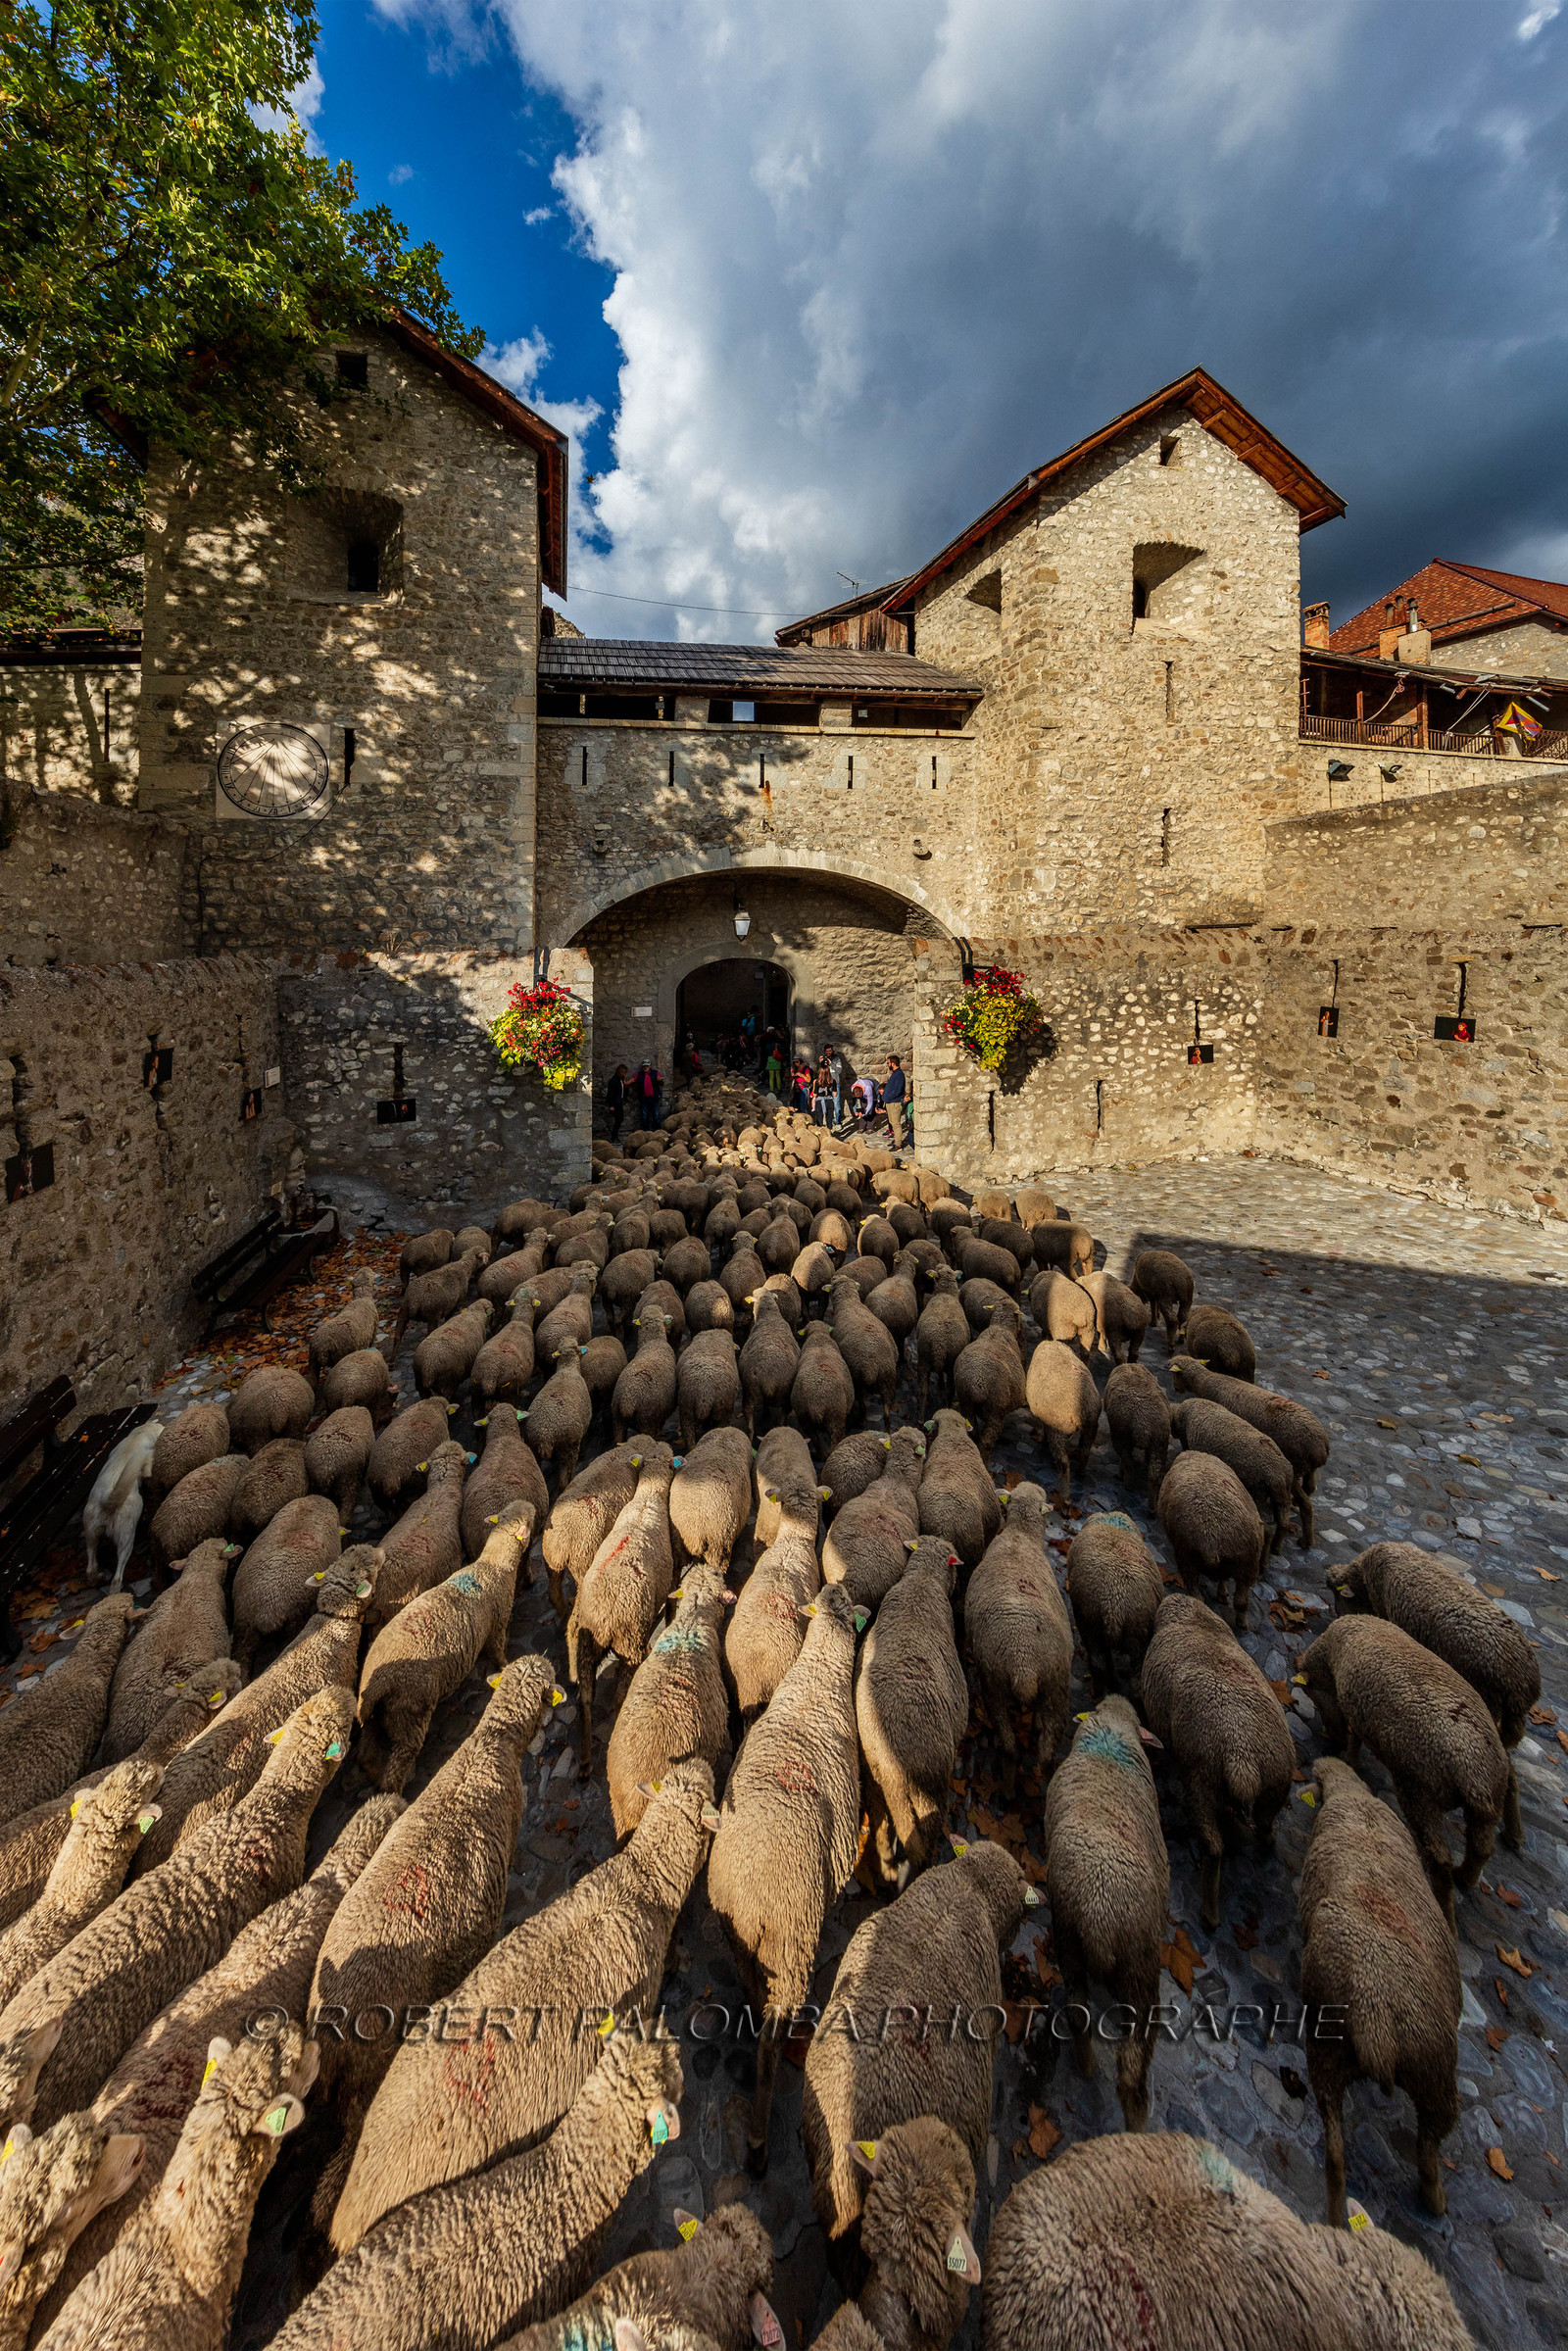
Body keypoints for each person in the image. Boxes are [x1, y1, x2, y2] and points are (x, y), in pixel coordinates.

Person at [882, 1053, 907, 1148]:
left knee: (896, 1124)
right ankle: (896, 1140)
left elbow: (897, 1090)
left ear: (893, 1063)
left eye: (888, 1063)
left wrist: (888, 1097)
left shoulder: (899, 1075)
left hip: (895, 1103)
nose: (887, 1065)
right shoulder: (895, 1074)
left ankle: (898, 1144)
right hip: (890, 1102)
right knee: (893, 1123)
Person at [635, 1059, 662, 1129]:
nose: (645, 1067)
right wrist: (625, 1082)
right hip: (644, 1098)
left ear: (650, 1066)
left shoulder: (655, 1073)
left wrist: (660, 1080)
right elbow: (633, 1079)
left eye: (647, 1066)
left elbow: (660, 1080)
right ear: (642, 1066)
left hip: (654, 1097)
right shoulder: (639, 1074)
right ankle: (646, 1132)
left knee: (656, 1115)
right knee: (645, 1116)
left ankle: (657, 1131)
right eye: (644, 1066)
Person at [606, 1062, 629, 1142]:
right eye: (622, 1072)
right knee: (618, 1119)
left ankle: (615, 1136)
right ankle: (614, 1137)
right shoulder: (614, 1081)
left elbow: (624, 1089)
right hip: (615, 1103)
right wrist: (611, 1105)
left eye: (625, 1073)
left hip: (619, 1102)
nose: (624, 1074)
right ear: (619, 1072)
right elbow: (610, 1093)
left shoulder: (621, 1079)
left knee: (620, 1119)